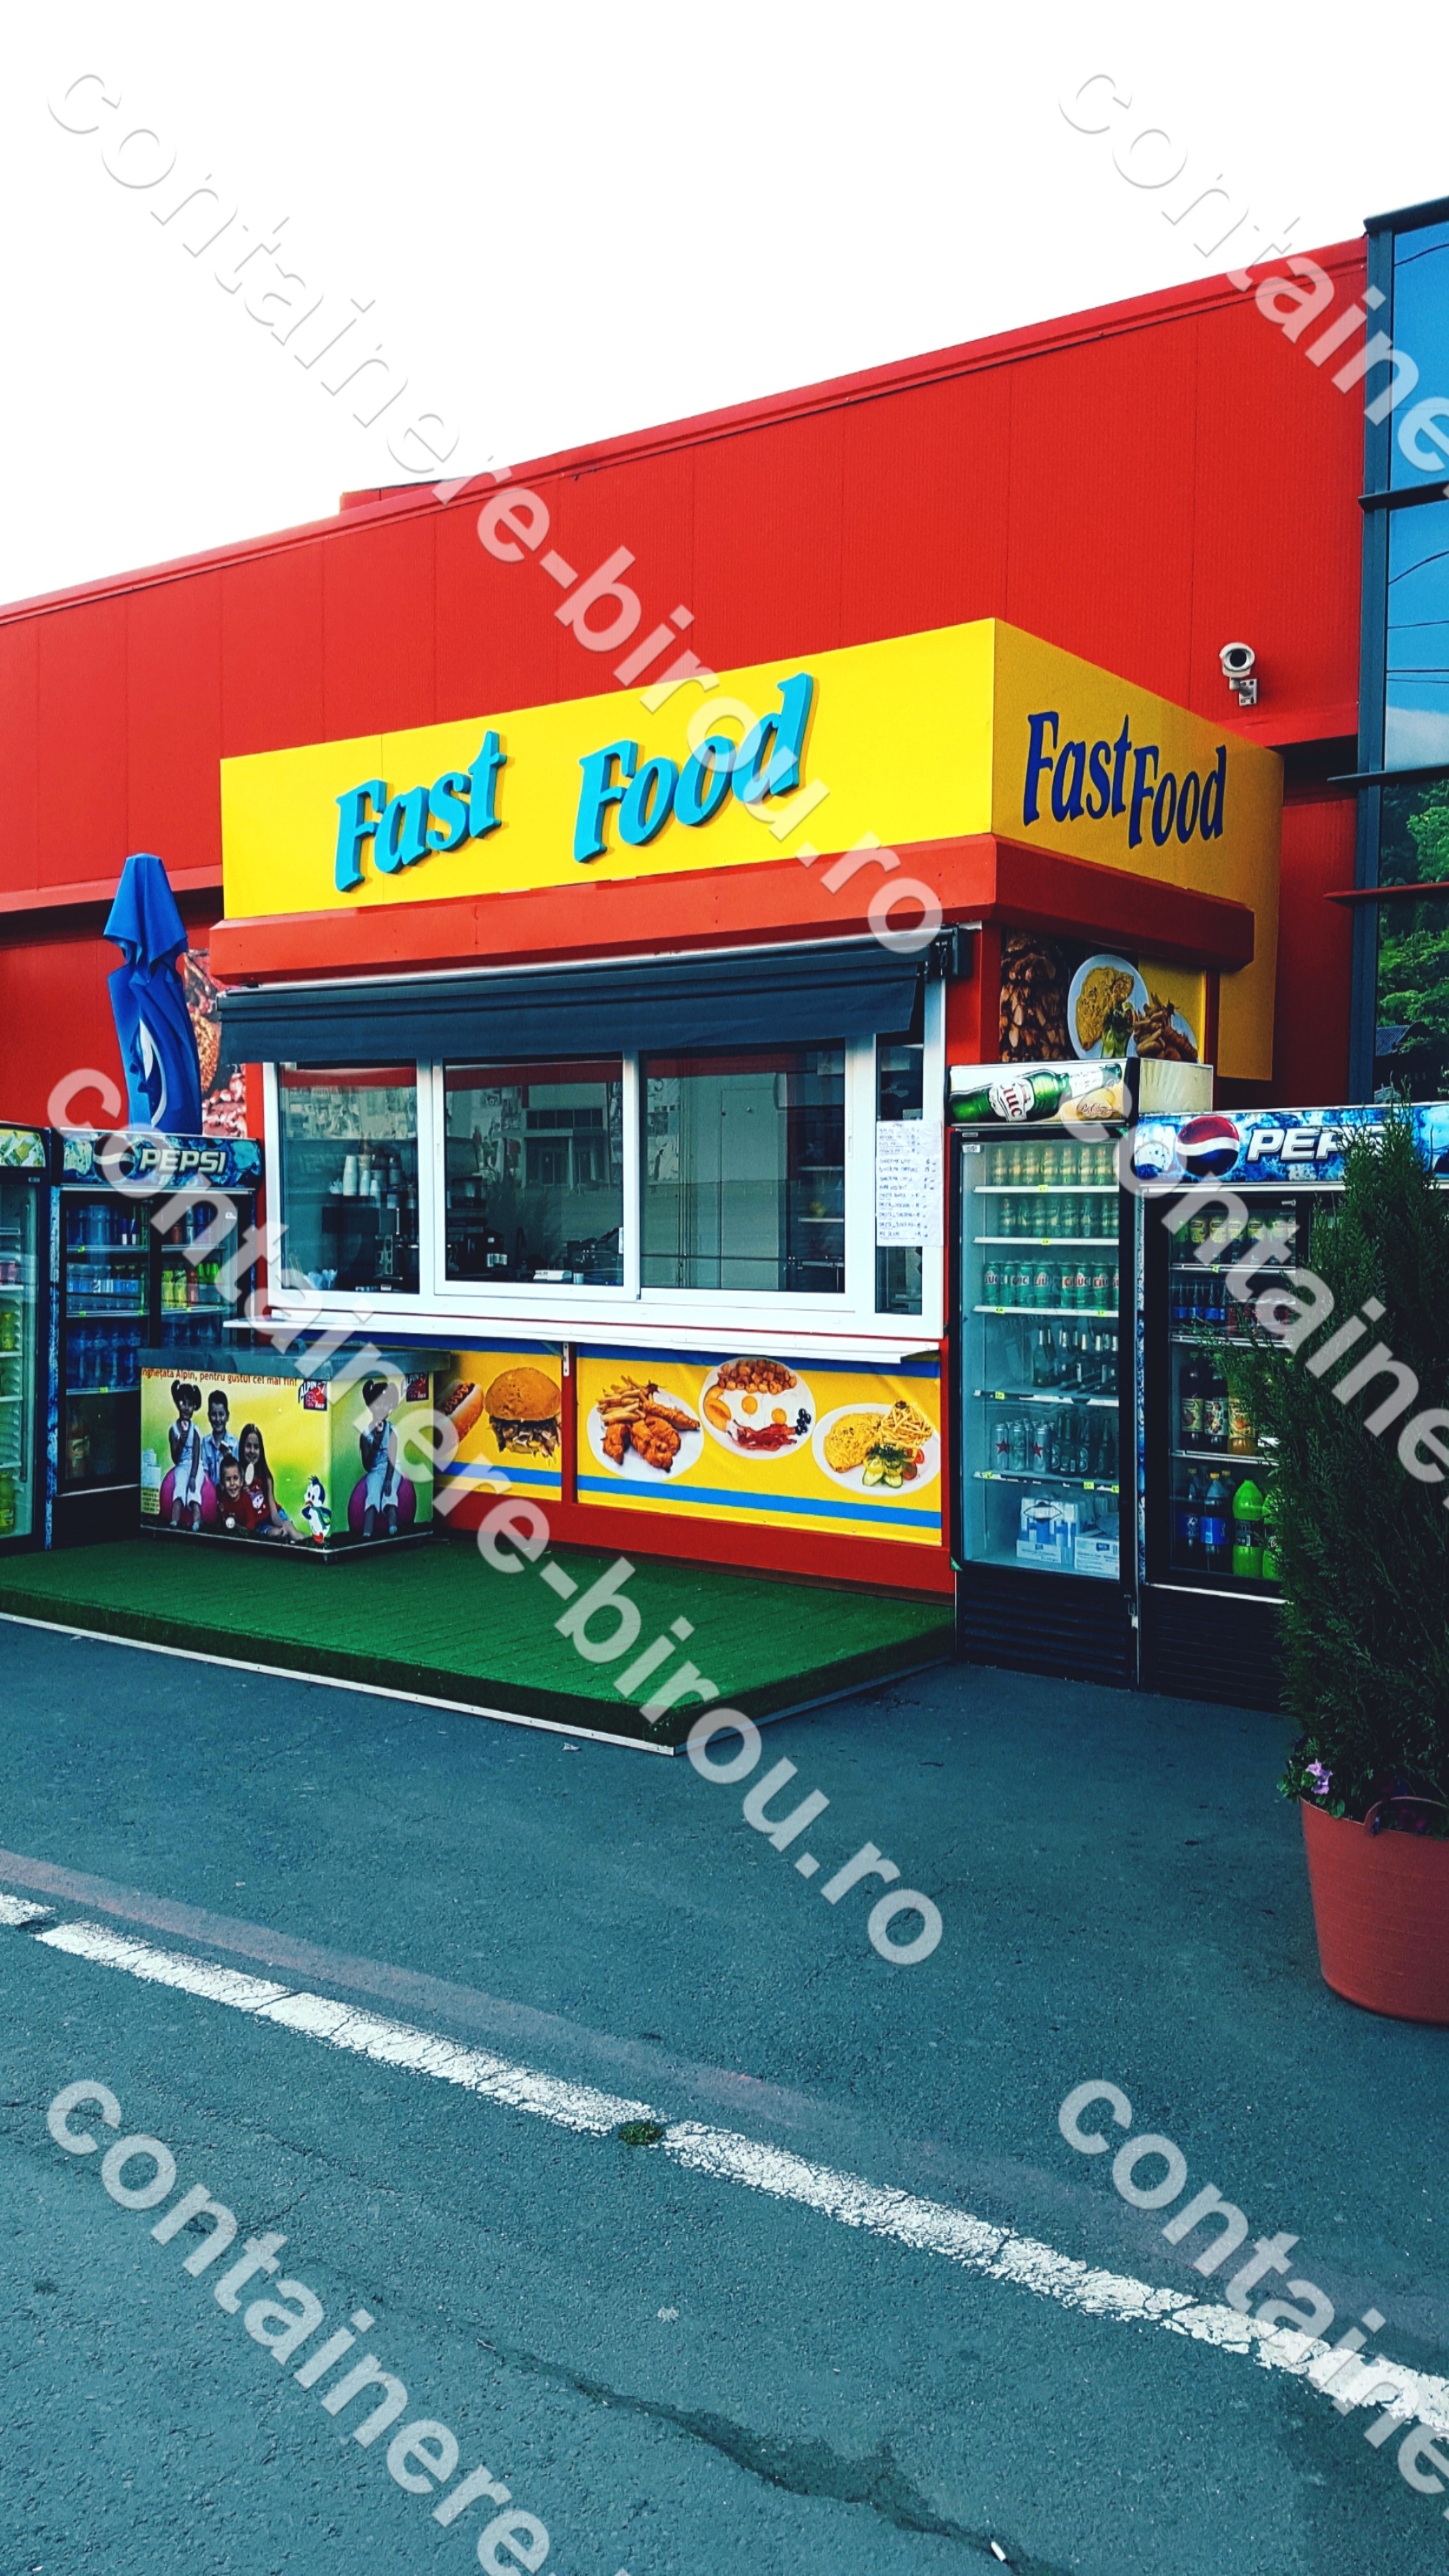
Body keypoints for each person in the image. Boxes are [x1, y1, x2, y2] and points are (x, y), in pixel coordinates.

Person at [237, 1422, 300, 1543]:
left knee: (293, 1534)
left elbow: (274, 1513)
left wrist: (283, 1525)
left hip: (274, 1515)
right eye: (248, 1446)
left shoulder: (266, 1477)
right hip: (259, 1524)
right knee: (276, 1534)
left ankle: (316, 1544)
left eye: (256, 1447)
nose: (252, 1451)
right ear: (241, 1448)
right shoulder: (238, 1477)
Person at [359, 1375, 402, 1538]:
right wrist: (375, 1445)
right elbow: (367, 1465)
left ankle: (393, 1529)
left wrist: (389, 1479)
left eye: (385, 1404)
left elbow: (392, 1457)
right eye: (378, 1404)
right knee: (372, 1497)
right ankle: (367, 1534)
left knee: (389, 1497)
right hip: (375, 1471)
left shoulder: (391, 1431)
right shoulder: (366, 1435)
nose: (381, 1408)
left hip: (392, 1469)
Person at [167, 1380, 205, 1531]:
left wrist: (193, 1477)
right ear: (178, 1403)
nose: (186, 1408)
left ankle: (196, 1522)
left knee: (193, 1492)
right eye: (183, 1403)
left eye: (190, 1404)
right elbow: (175, 1459)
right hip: (181, 1466)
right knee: (179, 1490)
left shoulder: (195, 1430)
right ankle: (174, 1521)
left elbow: (197, 1456)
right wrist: (181, 1442)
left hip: (195, 1467)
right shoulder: (173, 1430)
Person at [200, 1389, 237, 1499]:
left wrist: (230, 1458)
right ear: (208, 1416)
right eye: (213, 1415)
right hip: (209, 1497)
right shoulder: (205, 1443)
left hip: (229, 1498)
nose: (217, 1419)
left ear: (228, 1416)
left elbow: (239, 1475)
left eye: (221, 1414)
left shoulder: (234, 1444)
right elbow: (204, 1473)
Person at [214, 1453, 250, 1537]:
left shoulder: (246, 1500)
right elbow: (219, 1525)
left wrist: (239, 1528)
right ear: (222, 1483)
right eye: (228, 1479)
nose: (232, 1483)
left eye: (235, 1478)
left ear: (241, 1482)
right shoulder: (222, 1500)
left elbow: (250, 1527)